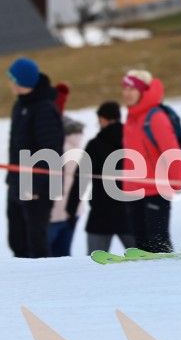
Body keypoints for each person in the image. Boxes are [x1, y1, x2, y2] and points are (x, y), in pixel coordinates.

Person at [6, 58, 64, 258]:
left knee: (36, 243)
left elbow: (51, 150)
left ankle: (41, 286)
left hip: (37, 186)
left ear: (22, 82)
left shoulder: (44, 108)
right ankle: (23, 285)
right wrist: (12, 179)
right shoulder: (20, 105)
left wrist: (35, 187)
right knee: (17, 239)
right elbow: (16, 146)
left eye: (12, 79)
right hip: (19, 181)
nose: (9, 83)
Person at [121, 70, 181, 253]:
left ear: (142, 91)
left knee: (158, 244)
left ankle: (167, 278)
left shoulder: (155, 117)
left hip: (156, 190)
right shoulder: (131, 117)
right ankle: (146, 280)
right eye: (124, 88)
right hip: (133, 191)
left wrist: (177, 180)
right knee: (141, 245)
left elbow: (171, 152)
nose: (126, 93)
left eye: (131, 88)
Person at [66, 102, 135, 253]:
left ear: (102, 119)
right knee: (143, 261)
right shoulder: (133, 140)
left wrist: (70, 210)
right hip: (131, 212)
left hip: (101, 214)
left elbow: (81, 180)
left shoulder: (95, 145)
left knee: (95, 263)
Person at [48, 83, 85, 257]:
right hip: (73, 210)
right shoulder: (74, 137)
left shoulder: (50, 139)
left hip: (51, 213)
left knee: (41, 262)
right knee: (62, 258)